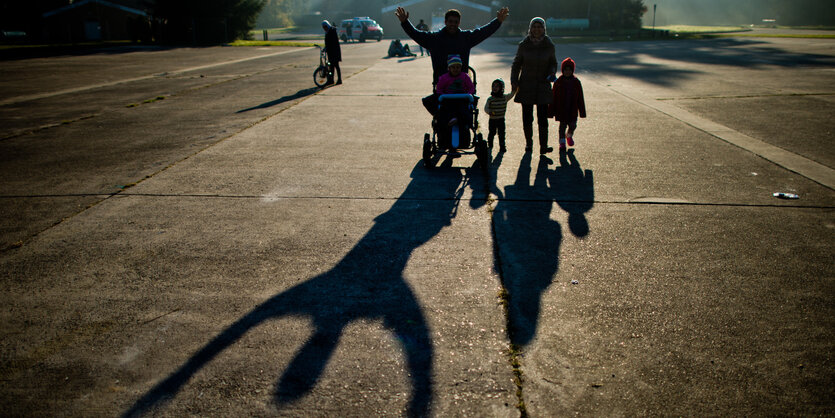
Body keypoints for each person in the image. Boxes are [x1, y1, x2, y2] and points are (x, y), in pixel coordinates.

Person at [395, 6, 510, 87]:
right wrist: (405, 22)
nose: (453, 24)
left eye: (455, 22)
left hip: (462, 84)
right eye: (450, 21)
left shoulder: (465, 38)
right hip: (442, 84)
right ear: (445, 22)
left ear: (459, 23)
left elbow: (483, 32)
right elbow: (416, 34)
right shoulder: (435, 39)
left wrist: (498, 21)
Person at [511, 17, 557, 154]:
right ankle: (529, 144)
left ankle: (543, 146)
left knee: (542, 118)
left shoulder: (549, 45)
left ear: (544, 29)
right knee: (527, 117)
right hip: (526, 85)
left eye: (539, 27)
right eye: (534, 27)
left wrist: (552, 73)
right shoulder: (524, 45)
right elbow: (516, 64)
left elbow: (553, 63)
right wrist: (514, 80)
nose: (537, 29)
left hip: (543, 86)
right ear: (530, 28)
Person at [550, 57, 586, 150]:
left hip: (572, 109)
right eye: (565, 70)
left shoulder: (576, 82)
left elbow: (580, 98)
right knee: (562, 127)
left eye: (569, 70)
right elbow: (553, 97)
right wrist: (551, 111)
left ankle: (569, 135)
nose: (567, 72)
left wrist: (582, 112)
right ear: (562, 70)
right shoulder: (558, 82)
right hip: (561, 109)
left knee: (573, 125)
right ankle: (562, 143)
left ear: (572, 70)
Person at [437, 54, 475, 128]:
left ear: (461, 68)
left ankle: (458, 119)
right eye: (453, 67)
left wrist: (469, 94)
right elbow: (439, 88)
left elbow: (471, 87)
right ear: (449, 68)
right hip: (448, 98)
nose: (455, 69)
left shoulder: (465, 76)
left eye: (458, 67)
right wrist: (441, 95)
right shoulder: (444, 78)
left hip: (462, 98)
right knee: (445, 110)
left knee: (464, 110)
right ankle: (450, 121)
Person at [483, 78, 517, 152]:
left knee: (501, 133)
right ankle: (490, 144)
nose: (494, 88)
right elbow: (486, 108)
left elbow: (511, 95)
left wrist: (514, 90)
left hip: (501, 119)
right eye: (493, 86)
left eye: (497, 86)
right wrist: (489, 112)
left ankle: (502, 146)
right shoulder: (490, 99)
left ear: (501, 88)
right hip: (492, 119)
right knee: (492, 132)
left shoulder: (504, 98)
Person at [322, 20, 342, 85]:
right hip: (330, 52)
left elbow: (333, 42)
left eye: (325, 27)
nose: (324, 28)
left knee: (336, 66)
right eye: (323, 27)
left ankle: (339, 79)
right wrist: (326, 48)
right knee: (331, 67)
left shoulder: (332, 31)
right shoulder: (328, 31)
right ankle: (331, 80)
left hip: (334, 52)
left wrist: (327, 48)